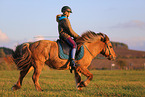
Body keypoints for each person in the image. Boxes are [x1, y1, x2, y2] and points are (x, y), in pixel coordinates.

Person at [56, 6, 79, 72]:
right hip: (65, 36)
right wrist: (77, 36)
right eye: (69, 12)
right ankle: (72, 61)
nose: (69, 14)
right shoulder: (65, 20)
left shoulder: (61, 19)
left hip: (63, 35)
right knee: (74, 45)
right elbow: (70, 31)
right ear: (66, 12)